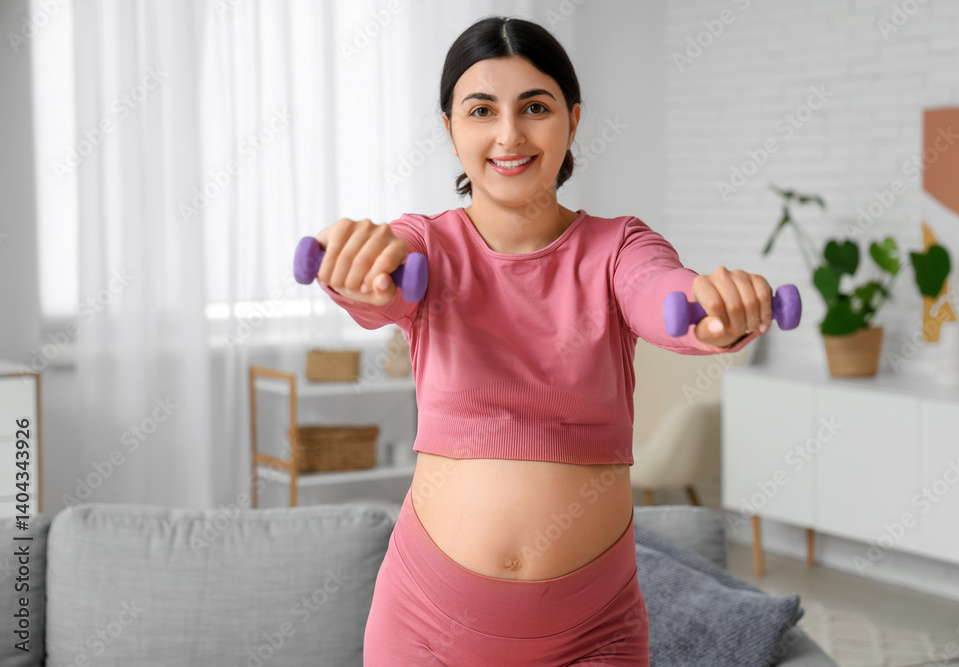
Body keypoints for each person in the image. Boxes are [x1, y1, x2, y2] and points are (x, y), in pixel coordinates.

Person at [312, 16, 770, 666]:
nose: (508, 134)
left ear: (573, 121)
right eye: (481, 109)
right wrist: (356, 265)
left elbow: (664, 296)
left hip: (593, 631)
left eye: (535, 107)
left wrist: (715, 314)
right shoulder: (429, 245)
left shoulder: (618, 248)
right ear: (451, 129)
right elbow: (383, 281)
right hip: (425, 621)